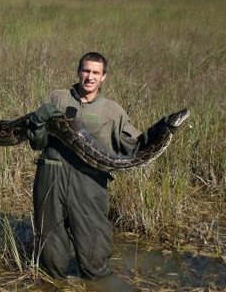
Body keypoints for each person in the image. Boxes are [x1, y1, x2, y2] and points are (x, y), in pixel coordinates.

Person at [27, 52, 156, 279]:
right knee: (50, 253)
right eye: (86, 71)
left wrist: (162, 131)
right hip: (51, 176)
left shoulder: (112, 111)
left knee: (94, 255)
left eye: (96, 72)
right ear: (78, 71)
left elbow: (135, 148)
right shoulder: (57, 98)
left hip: (89, 183)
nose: (90, 77)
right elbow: (37, 143)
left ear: (104, 76)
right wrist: (36, 123)